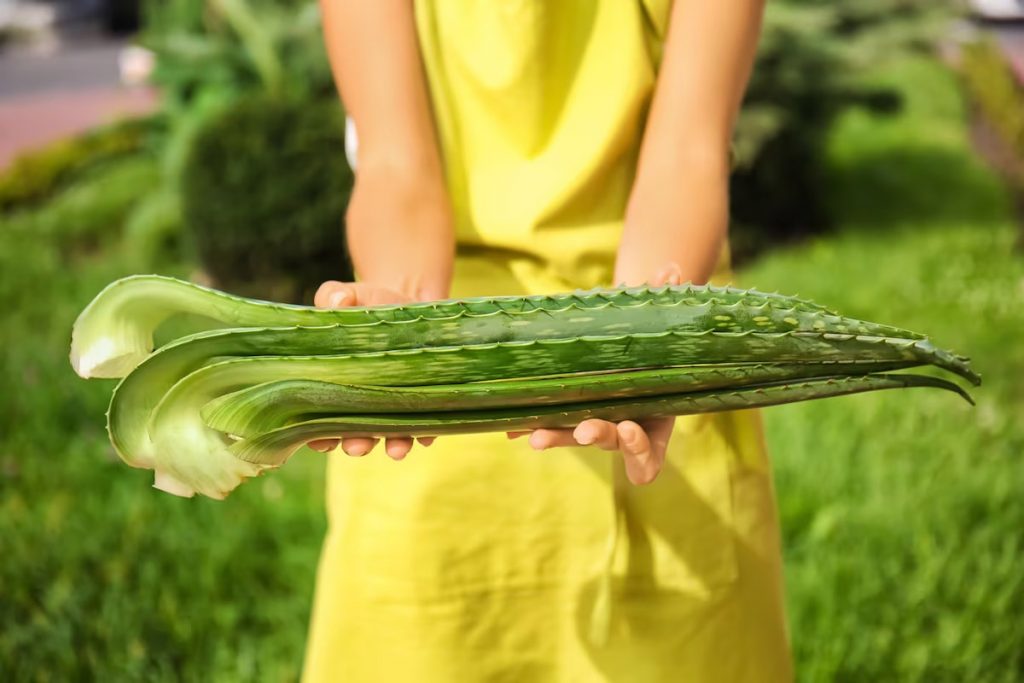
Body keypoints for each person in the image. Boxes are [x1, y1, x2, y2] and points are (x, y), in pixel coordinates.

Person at [304, 1, 791, 680]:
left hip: (657, 335)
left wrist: (642, 351)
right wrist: (403, 320)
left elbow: (688, 150)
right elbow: (393, 162)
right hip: (448, 395)